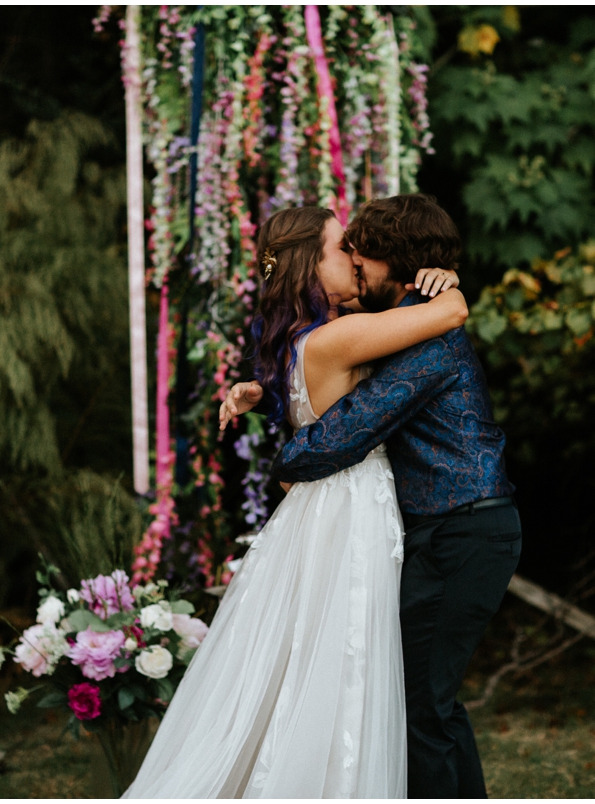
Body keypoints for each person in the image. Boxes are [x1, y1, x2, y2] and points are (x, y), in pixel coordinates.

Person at [123, 205, 467, 798]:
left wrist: (257, 396)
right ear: (312, 262)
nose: (356, 258)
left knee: (309, 655)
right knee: (345, 655)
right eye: (342, 250)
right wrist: (447, 281)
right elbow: (452, 314)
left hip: (321, 509)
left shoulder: (304, 340)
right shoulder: (338, 337)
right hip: (350, 513)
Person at [225, 194, 520, 798]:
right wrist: (271, 395)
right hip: (438, 530)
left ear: (397, 265)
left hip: (463, 529)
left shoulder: (427, 332)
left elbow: (355, 422)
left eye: (363, 261)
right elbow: (331, 382)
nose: (355, 266)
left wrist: (290, 461)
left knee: (422, 705)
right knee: (418, 699)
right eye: (345, 254)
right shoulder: (391, 326)